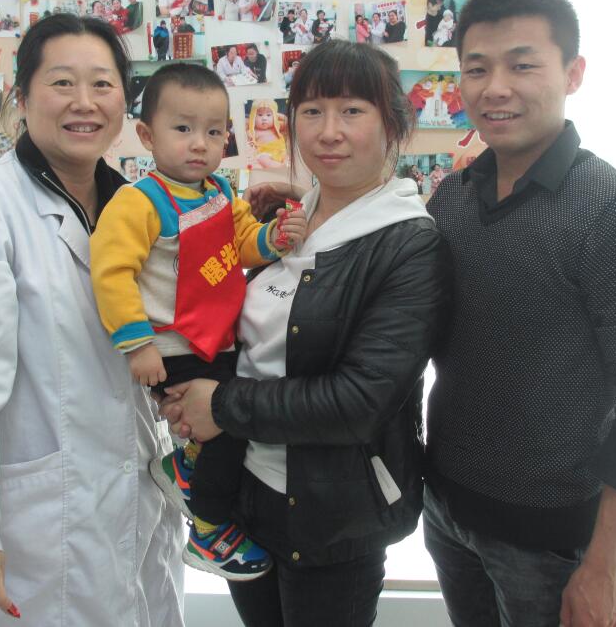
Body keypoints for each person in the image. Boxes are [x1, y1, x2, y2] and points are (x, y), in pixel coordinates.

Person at [422, 0, 616, 627]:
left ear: (573, 73)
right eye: (476, 69)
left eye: (522, 65)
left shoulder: (614, 209)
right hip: (445, 508)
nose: (495, 88)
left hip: (550, 540)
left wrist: (605, 564)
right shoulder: (453, 197)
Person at [160, 39, 451, 626]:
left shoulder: (410, 245)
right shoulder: (292, 218)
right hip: (245, 495)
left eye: (352, 111)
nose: (328, 132)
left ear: (392, 124)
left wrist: (220, 405)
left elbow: (359, 402)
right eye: (312, 111)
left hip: (333, 518)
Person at [0, 14, 186, 627]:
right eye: (62, 82)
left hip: (134, 504)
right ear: (23, 96)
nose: (84, 102)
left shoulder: (139, 208)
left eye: (102, 84)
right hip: (32, 528)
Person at [91, 63, 306, 579]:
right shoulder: (138, 201)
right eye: (183, 128)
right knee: (228, 426)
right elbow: (112, 272)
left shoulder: (218, 192)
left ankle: (185, 465)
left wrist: (275, 238)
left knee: (230, 418)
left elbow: (243, 243)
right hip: (171, 345)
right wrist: (137, 343)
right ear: (147, 136)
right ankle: (207, 529)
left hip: (217, 337)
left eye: (213, 132)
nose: (199, 144)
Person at [246, 99, 287, 168]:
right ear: (253, 117)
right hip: (266, 152)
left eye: (268, 115)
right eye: (260, 115)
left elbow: (288, 124)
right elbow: (248, 143)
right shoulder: (253, 131)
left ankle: (285, 165)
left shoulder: (276, 126)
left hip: (281, 150)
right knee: (261, 159)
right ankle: (280, 167)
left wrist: (277, 115)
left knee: (289, 155)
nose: (264, 118)